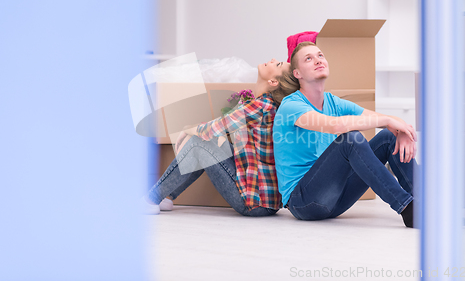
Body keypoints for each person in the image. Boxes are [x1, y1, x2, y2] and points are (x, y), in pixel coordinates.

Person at [272, 41, 417, 227]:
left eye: (320, 55)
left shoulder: (333, 102)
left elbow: (378, 117)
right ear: (297, 74)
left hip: (336, 197)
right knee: (350, 138)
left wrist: (400, 129)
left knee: (388, 138)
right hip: (304, 201)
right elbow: (335, 126)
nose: (317, 60)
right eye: (309, 59)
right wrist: (390, 122)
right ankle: (408, 209)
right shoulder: (291, 105)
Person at [143, 58, 291, 217]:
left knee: (198, 142)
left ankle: (151, 199)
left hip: (255, 202)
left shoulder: (262, 105)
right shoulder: (264, 104)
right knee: (205, 143)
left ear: (273, 81)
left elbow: (221, 125)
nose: (274, 60)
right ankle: (167, 195)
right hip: (264, 200)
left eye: (278, 64)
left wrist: (190, 129)